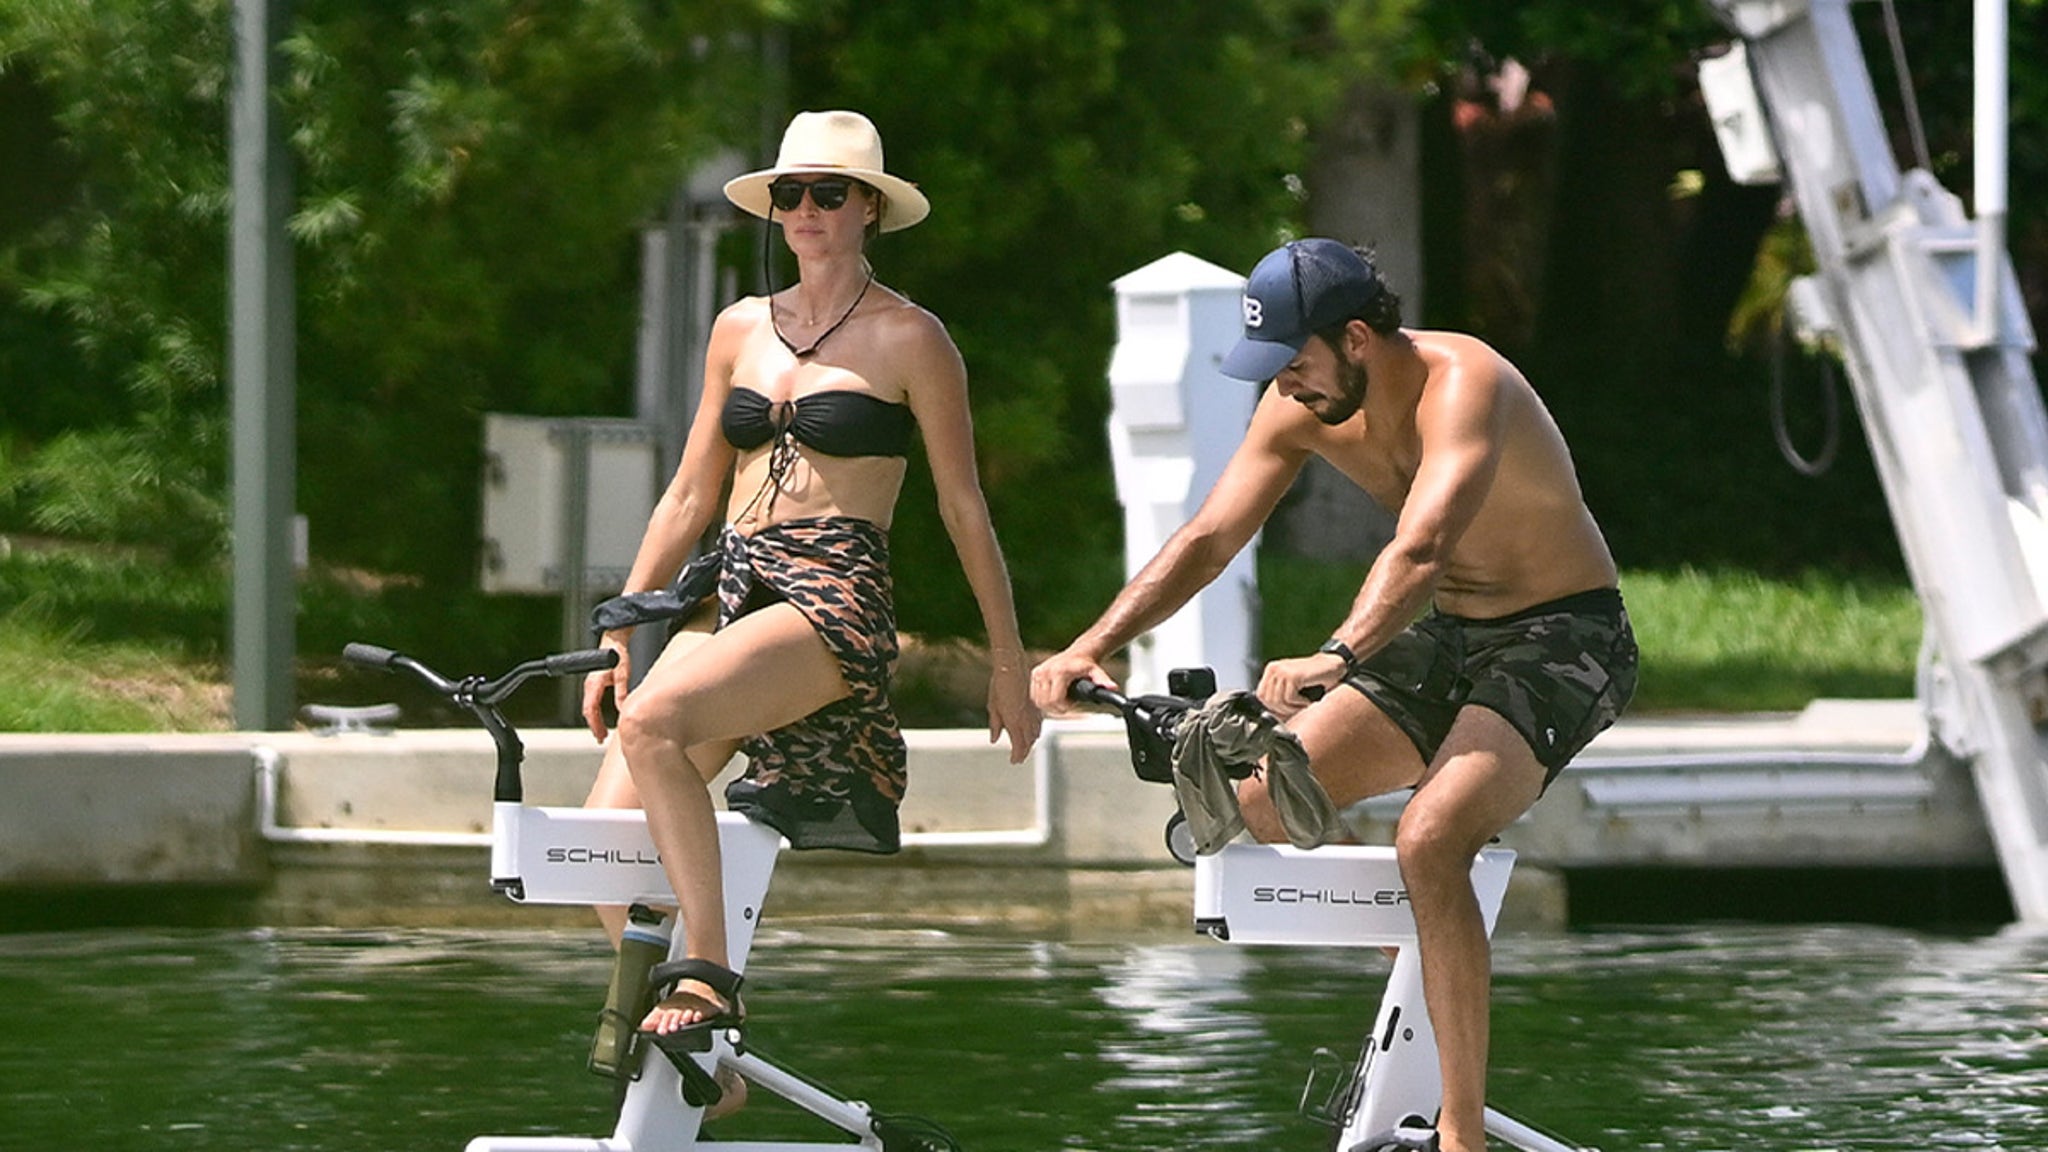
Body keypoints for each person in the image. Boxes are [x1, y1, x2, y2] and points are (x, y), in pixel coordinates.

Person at [1030, 238, 1636, 1152]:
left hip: (1568, 636)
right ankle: (1419, 955)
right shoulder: (1296, 407)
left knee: (1429, 837)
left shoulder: (1467, 384)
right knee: (1262, 802)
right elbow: (1206, 538)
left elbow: (1422, 549)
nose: (1286, 386)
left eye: (1296, 362)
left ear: (1357, 337)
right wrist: (1088, 645)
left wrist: (1336, 655)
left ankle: (1460, 1135)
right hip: (1457, 637)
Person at [580, 110, 1041, 1102]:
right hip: (733, 586)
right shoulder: (740, 327)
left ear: (869, 209)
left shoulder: (911, 337)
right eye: (789, 193)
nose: (805, 211)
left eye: (828, 193)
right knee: (600, 851)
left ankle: (708, 978)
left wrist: (1009, 662)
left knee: (656, 721)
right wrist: (622, 632)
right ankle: (720, 1068)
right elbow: (686, 496)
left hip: (832, 595)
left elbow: (963, 507)